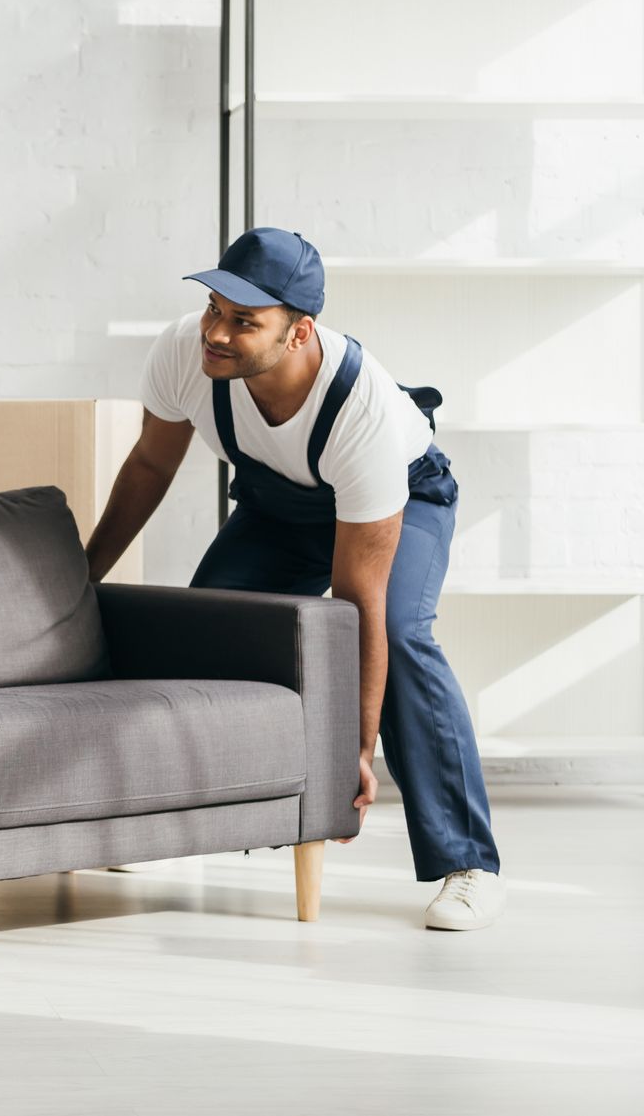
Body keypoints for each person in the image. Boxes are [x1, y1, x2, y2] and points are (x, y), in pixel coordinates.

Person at [84, 227, 504, 931]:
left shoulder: (359, 408)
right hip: (280, 502)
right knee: (203, 627)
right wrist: (81, 576)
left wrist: (354, 753)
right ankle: (188, 827)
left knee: (398, 635)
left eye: (244, 321)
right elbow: (150, 467)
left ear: (300, 332)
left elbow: (358, 602)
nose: (216, 331)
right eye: (215, 307)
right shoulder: (187, 352)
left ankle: (470, 864)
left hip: (403, 495)